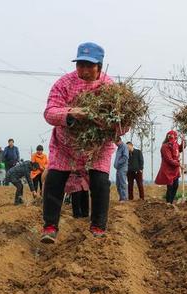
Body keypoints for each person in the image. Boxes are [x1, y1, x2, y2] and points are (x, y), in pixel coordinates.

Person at [41, 41, 128, 243]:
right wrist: (71, 113)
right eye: (80, 65)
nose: (84, 70)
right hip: (66, 145)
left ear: (100, 65)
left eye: (90, 66)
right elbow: (50, 112)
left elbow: (123, 123)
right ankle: (50, 227)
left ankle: (98, 227)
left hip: (97, 147)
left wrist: (107, 122)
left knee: (100, 183)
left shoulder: (110, 88)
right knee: (54, 181)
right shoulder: (64, 83)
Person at [155, 130, 185, 204]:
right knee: (170, 186)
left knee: (176, 185)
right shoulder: (165, 146)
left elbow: (180, 149)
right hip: (168, 169)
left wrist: (184, 141)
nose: (175, 138)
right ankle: (168, 202)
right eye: (175, 136)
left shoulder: (175, 145)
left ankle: (171, 201)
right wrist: (179, 165)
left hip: (175, 169)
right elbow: (169, 159)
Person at [114, 137, 129, 201]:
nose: (115, 144)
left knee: (122, 183)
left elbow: (125, 157)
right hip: (118, 169)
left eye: (116, 142)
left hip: (122, 168)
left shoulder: (124, 146)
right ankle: (121, 197)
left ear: (120, 140)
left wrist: (118, 163)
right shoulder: (119, 148)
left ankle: (124, 198)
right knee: (118, 184)